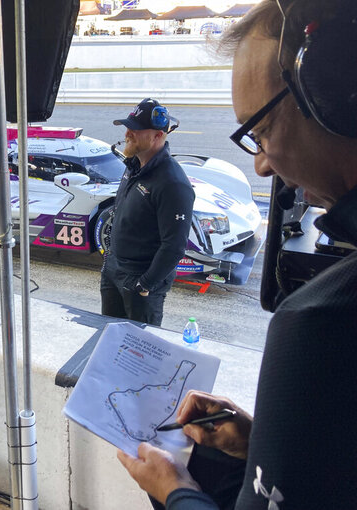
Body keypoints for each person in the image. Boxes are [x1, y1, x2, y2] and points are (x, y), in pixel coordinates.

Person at [117, 1, 357, 508]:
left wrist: (175, 491)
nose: (264, 166)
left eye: (262, 131)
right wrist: (260, 445)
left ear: (336, 95)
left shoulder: (325, 322)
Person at [101, 98, 194, 326]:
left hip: (139, 282)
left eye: (136, 130)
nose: (127, 133)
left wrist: (145, 285)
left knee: (139, 352)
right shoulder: (133, 166)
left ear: (158, 136)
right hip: (114, 270)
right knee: (108, 341)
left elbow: (174, 247)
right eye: (128, 127)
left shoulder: (173, 183)